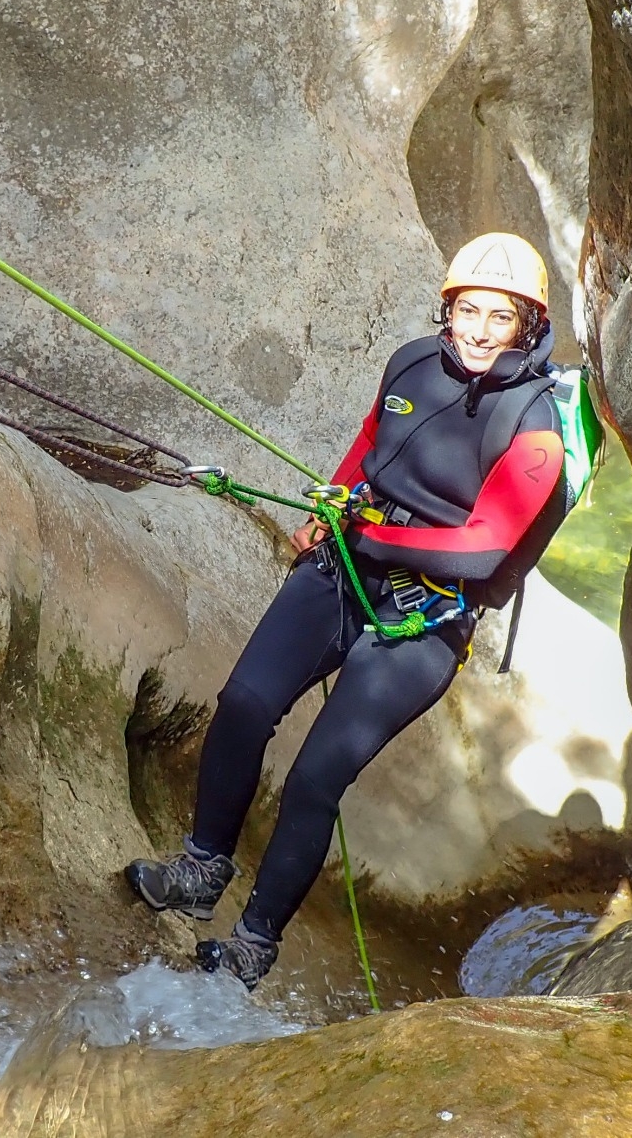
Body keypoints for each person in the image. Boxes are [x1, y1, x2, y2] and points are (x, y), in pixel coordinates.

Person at [125, 232, 569, 989]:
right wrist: (334, 508)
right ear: (447, 308)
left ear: (529, 325)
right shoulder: (409, 363)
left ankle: (252, 946)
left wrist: (377, 535)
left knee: (314, 779)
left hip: (425, 617)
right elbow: (373, 441)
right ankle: (203, 869)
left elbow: (484, 552)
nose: (480, 332)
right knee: (242, 702)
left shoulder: (533, 428)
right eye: (467, 311)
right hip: (346, 561)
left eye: (502, 317)